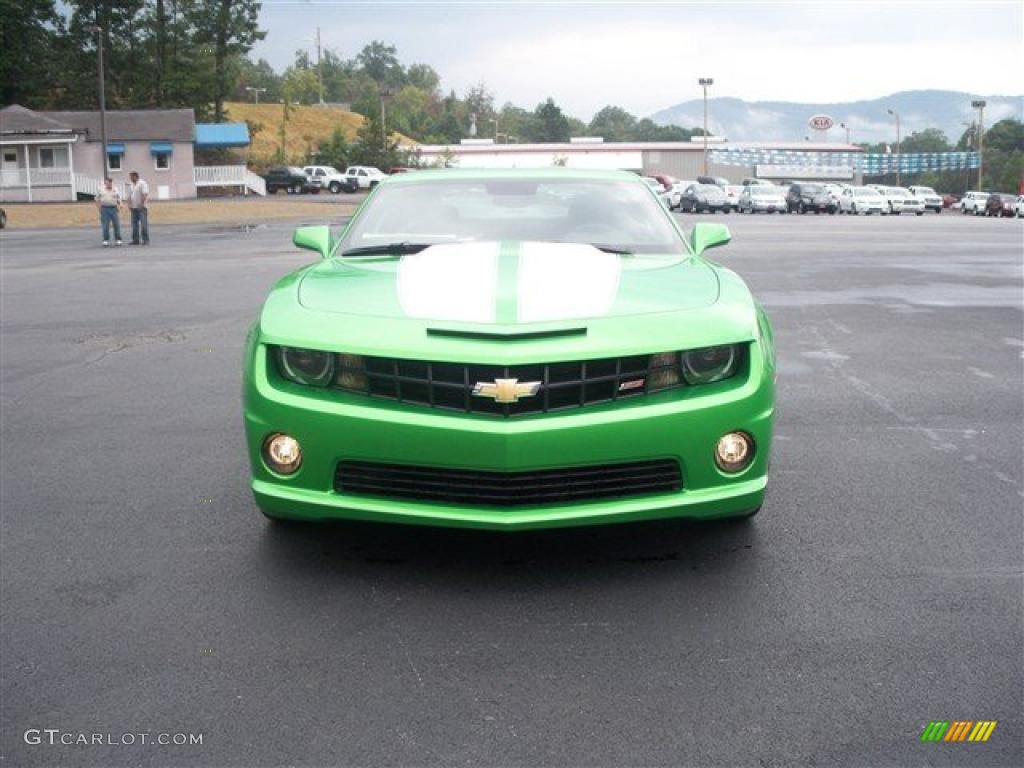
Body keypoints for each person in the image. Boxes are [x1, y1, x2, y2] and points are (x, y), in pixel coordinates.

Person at [96, 177, 122, 246]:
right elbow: (97, 199)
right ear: (105, 183)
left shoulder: (115, 189)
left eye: (111, 182)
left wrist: (120, 205)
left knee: (116, 225)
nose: (109, 183)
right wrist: (99, 209)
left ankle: (118, 239)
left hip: (114, 208)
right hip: (104, 209)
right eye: (108, 182)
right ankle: (105, 240)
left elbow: (118, 198)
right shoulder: (101, 190)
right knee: (105, 226)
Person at [128, 171, 150, 245]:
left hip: (142, 208)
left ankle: (145, 240)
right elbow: (130, 195)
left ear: (135, 176)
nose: (130, 178)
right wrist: (129, 204)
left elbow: (145, 194)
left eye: (131, 177)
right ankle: (135, 240)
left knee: (143, 224)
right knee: (134, 225)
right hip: (133, 208)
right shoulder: (131, 185)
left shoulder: (142, 183)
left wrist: (141, 203)